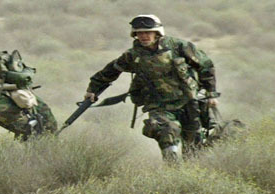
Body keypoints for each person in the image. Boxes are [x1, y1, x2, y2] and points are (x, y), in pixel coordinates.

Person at [84, 14, 219, 162]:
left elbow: (205, 65)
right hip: (159, 106)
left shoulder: (178, 46)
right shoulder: (133, 55)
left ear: (157, 33)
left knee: (193, 150)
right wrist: (92, 90)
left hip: (189, 103)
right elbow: (110, 71)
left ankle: (190, 175)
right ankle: (172, 169)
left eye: (147, 32)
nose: (144, 36)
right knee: (166, 132)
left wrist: (211, 93)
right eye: (139, 33)